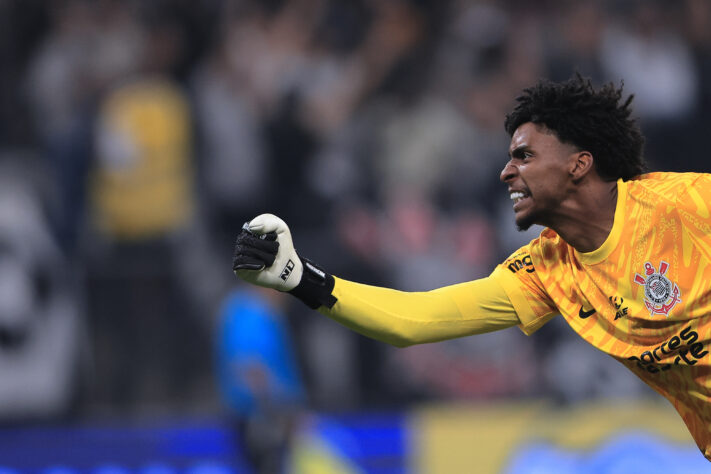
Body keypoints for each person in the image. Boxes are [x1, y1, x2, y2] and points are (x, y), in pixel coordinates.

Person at [232, 74, 711, 461]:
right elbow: (413, 320)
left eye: (525, 156)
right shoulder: (547, 269)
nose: (507, 172)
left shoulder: (685, 205)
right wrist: (301, 279)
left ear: (578, 164)